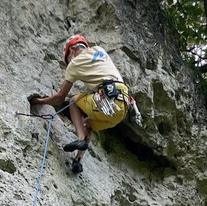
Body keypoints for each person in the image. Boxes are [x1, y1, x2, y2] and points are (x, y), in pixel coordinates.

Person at [28, 35, 131, 174]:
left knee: (73, 101)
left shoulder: (74, 64)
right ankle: (78, 161)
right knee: (88, 123)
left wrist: (38, 101)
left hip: (107, 100)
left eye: (68, 58)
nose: (69, 62)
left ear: (73, 49)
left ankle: (80, 138)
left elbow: (59, 98)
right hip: (121, 109)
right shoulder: (99, 50)